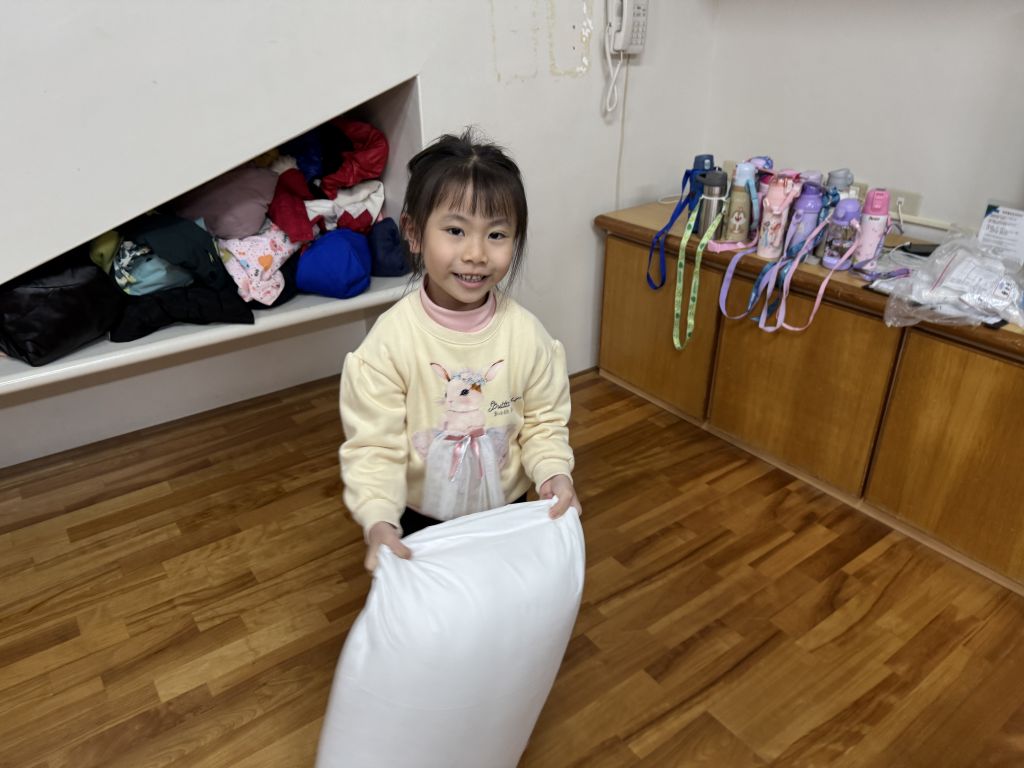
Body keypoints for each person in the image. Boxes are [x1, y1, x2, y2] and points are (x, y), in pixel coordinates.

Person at [339, 128, 580, 571]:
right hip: (421, 519)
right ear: (414, 233)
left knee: (501, 593)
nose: (476, 253)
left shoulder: (528, 337)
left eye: (497, 234)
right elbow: (374, 446)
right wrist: (378, 518)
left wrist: (553, 473)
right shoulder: (388, 346)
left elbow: (544, 422)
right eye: (455, 230)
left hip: (508, 509)